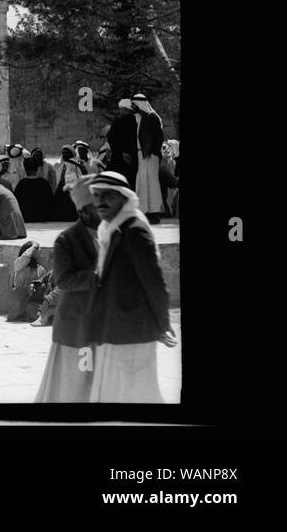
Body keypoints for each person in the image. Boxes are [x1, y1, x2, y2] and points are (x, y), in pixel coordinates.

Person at [87, 171, 176, 402]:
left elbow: (154, 282)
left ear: (124, 197)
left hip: (133, 330)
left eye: (107, 195)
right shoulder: (111, 228)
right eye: (96, 195)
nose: (100, 201)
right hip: (112, 329)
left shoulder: (135, 230)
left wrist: (163, 323)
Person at [35, 176, 100, 402]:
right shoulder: (66, 240)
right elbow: (63, 281)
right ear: (83, 211)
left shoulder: (110, 234)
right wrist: (96, 277)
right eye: (96, 206)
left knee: (97, 383)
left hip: (101, 324)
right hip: (77, 325)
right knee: (76, 384)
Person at [132, 94, 165, 222]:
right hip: (142, 155)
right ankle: (145, 211)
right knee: (142, 183)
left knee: (151, 184)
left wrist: (154, 153)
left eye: (134, 104)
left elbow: (159, 137)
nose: (133, 107)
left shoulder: (152, 117)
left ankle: (154, 212)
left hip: (150, 155)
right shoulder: (141, 118)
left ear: (140, 104)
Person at [7, 241, 47, 322]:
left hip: (32, 302)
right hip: (19, 301)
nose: (40, 250)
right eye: (37, 248)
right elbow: (25, 258)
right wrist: (33, 248)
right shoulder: (19, 265)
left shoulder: (40, 269)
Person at [106, 99, 138, 187]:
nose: (119, 111)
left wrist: (121, 154)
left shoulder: (118, 122)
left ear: (124, 109)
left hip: (119, 160)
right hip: (135, 159)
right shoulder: (138, 121)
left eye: (121, 109)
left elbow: (112, 140)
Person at [13, 157, 54, 223]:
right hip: (43, 217)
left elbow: (15, 202)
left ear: (25, 169)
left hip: (25, 217)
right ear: (37, 168)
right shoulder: (44, 183)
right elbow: (50, 201)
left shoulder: (21, 184)